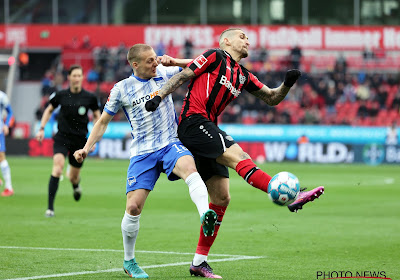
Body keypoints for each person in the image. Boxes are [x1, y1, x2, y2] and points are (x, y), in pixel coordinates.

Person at [145, 28, 325, 278]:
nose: (247, 40)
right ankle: (289, 196)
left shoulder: (242, 74)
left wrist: (287, 84)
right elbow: (184, 75)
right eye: (242, 36)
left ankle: (199, 262)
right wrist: (158, 96)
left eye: (248, 37)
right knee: (239, 156)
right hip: (193, 122)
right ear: (226, 41)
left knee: (221, 197)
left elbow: (272, 98)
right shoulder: (214, 56)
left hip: (207, 127)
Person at [73, 44, 217, 279]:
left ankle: (205, 215)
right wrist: (87, 148)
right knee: (133, 207)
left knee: (190, 169)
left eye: (155, 58)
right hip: (143, 152)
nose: (155, 62)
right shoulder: (121, 89)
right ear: (135, 64)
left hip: (170, 142)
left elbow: (203, 65)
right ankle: (129, 262)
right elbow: (102, 122)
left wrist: (175, 62)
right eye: (150, 60)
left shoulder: (164, 73)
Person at [35, 65, 101, 218]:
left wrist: (94, 139)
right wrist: (41, 128)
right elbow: (49, 109)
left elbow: (98, 116)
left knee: (73, 176)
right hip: (62, 137)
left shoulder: (90, 97)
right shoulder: (61, 95)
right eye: (74, 75)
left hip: (80, 141)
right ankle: (50, 208)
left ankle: (76, 185)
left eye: (79, 75)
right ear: (69, 78)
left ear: (82, 78)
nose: (77, 78)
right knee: (57, 169)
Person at [0, 90, 14, 197]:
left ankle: (9, 188)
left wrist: (6, 124)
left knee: (1, 157)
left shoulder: (2, 96)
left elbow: (10, 112)